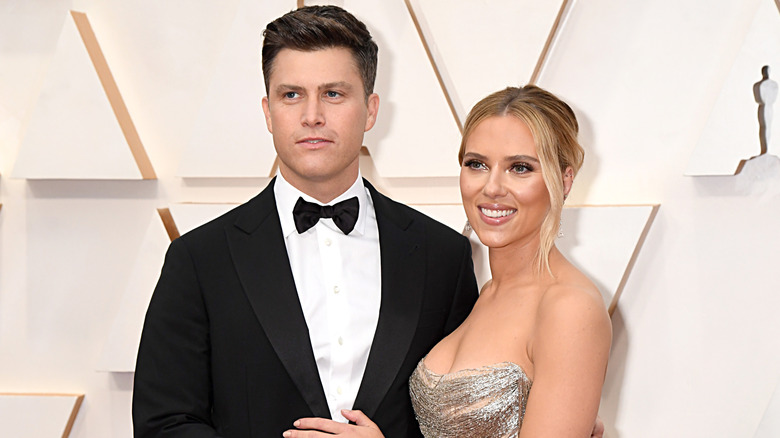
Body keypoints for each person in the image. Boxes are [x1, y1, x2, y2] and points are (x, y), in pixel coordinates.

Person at [132, 5, 479, 438]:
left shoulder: (443, 256)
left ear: (371, 110)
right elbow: (163, 424)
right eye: (291, 95)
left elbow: (461, 424)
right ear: (268, 110)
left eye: (333, 94)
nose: (312, 115)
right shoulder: (199, 260)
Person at [408, 85, 613, 437]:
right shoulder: (486, 293)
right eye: (477, 164)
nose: (492, 187)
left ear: (564, 181)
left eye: (519, 168)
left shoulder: (570, 308)